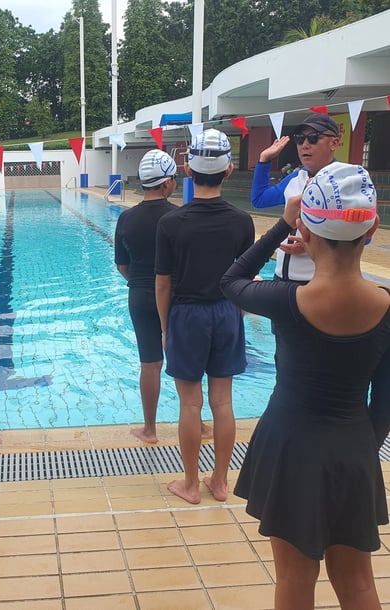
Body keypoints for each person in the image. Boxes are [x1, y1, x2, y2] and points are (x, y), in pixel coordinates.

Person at [221, 162, 390, 610]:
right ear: (370, 230)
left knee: (295, 578)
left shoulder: (285, 300)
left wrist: (281, 223)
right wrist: (354, 450)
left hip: (290, 446)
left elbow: (231, 281)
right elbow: (387, 401)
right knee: (356, 581)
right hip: (354, 446)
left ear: (307, 233)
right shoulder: (387, 308)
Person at [155, 128, 255, 504]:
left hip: (186, 314)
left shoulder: (171, 224)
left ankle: (191, 484)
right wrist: (236, 312)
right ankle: (221, 482)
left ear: (187, 170)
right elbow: (244, 277)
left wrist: (166, 328)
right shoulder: (242, 222)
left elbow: (162, 284)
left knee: (191, 404)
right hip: (226, 312)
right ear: (228, 170)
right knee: (223, 402)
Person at [114, 149, 178, 444]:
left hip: (140, 295)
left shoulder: (126, 218)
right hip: (177, 297)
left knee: (149, 364)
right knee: (186, 360)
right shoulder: (179, 216)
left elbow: (122, 265)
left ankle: (150, 429)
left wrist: (142, 284)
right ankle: (199, 424)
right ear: (167, 184)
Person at [251, 112, 341, 282]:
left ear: (334, 142)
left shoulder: (344, 180)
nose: (305, 145)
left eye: (313, 138)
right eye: (300, 139)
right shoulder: (296, 178)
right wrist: (264, 161)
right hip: (281, 278)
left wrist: (313, 247)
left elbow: (362, 237)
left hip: (318, 282)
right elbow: (259, 200)